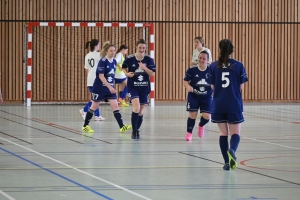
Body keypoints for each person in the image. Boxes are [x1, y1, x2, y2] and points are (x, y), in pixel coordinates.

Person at [208, 39, 248, 171]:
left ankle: (226, 162)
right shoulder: (239, 65)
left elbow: (212, 86)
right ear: (232, 50)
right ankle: (232, 150)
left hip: (218, 104)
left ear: (220, 50)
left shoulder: (213, 66)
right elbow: (241, 86)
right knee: (235, 132)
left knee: (223, 133)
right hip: (233, 103)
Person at [81, 41, 132, 133]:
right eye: (111, 51)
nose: (113, 52)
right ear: (106, 52)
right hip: (100, 88)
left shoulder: (114, 61)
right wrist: (110, 87)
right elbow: (101, 76)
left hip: (109, 88)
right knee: (94, 106)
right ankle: (85, 126)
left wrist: (127, 74)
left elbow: (120, 68)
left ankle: (122, 126)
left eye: (114, 50)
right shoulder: (103, 61)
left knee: (115, 106)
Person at [122, 39, 156, 140]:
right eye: (140, 47)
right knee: (136, 108)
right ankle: (134, 131)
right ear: (136, 47)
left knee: (141, 111)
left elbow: (152, 73)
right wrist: (127, 74)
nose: (142, 50)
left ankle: (137, 129)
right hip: (133, 87)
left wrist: (143, 67)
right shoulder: (129, 58)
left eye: (144, 48)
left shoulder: (149, 59)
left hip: (144, 88)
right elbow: (123, 67)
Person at [183, 51, 212, 141]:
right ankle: (189, 133)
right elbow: (185, 81)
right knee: (193, 114)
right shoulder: (192, 69)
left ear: (207, 60)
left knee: (207, 116)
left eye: (204, 58)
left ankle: (201, 125)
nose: (201, 60)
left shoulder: (211, 70)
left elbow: (216, 82)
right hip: (194, 96)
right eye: (200, 58)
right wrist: (188, 86)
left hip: (207, 97)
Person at [79, 39, 105, 121]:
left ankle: (97, 115)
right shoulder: (98, 55)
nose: (99, 46)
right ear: (96, 45)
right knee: (97, 98)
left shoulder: (87, 55)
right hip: (96, 79)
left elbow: (87, 70)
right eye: (99, 45)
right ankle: (84, 110)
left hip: (90, 79)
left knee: (96, 97)